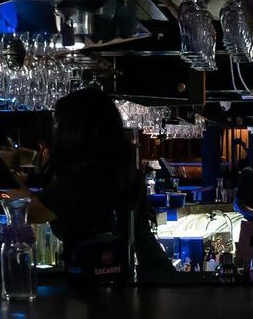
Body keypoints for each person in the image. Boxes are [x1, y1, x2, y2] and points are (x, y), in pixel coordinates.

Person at [28, 87, 174, 276]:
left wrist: (2, 183)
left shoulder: (82, 179)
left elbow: (32, 213)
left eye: (58, 126)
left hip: (92, 288)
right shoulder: (117, 170)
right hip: (124, 281)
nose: (55, 132)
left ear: (75, 131)